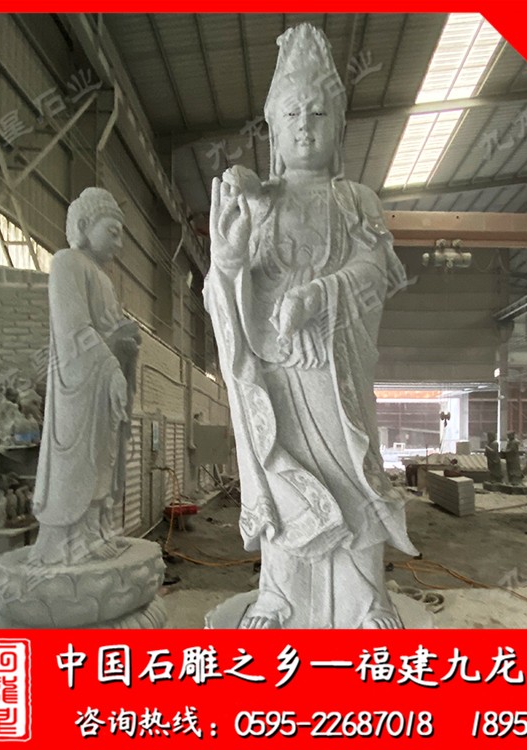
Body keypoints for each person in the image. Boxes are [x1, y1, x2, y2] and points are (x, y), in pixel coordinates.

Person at [203, 23, 416, 629]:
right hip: (275, 372)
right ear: (273, 127)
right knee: (283, 481)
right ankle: (278, 596)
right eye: (292, 114)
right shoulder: (259, 202)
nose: (305, 126)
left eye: (319, 113)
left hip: (335, 369)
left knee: (353, 478)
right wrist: (229, 252)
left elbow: (376, 271)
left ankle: (366, 598)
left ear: (338, 126)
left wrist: (319, 296)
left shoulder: (356, 200)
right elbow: (223, 287)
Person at [29, 187, 141, 565]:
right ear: (84, 225)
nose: (120, 244)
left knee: (104, 456)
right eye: (113, 232)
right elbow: (73, 329)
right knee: (79, 457)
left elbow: (109, 329)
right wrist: (110, 365)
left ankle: (95, 530)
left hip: (103, 383)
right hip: (78, 382)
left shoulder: (104, 280)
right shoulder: (67, 263)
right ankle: (69, 540)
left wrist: (125, 345)